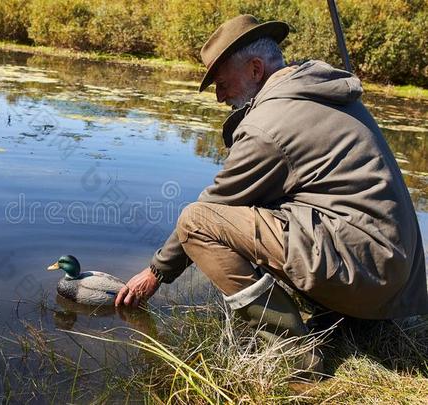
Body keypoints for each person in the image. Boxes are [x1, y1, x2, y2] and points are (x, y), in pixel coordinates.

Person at [115, 14, 428, 372]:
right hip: (393, 276)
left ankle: (296, 354)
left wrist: (156, 272)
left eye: (221, 83)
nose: (219, 97)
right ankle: (347, 318)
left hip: (367, 275)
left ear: (254, 69)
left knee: (195, 223)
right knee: (273, 210)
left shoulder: (269, 124)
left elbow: (215, 205)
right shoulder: (321, 90)